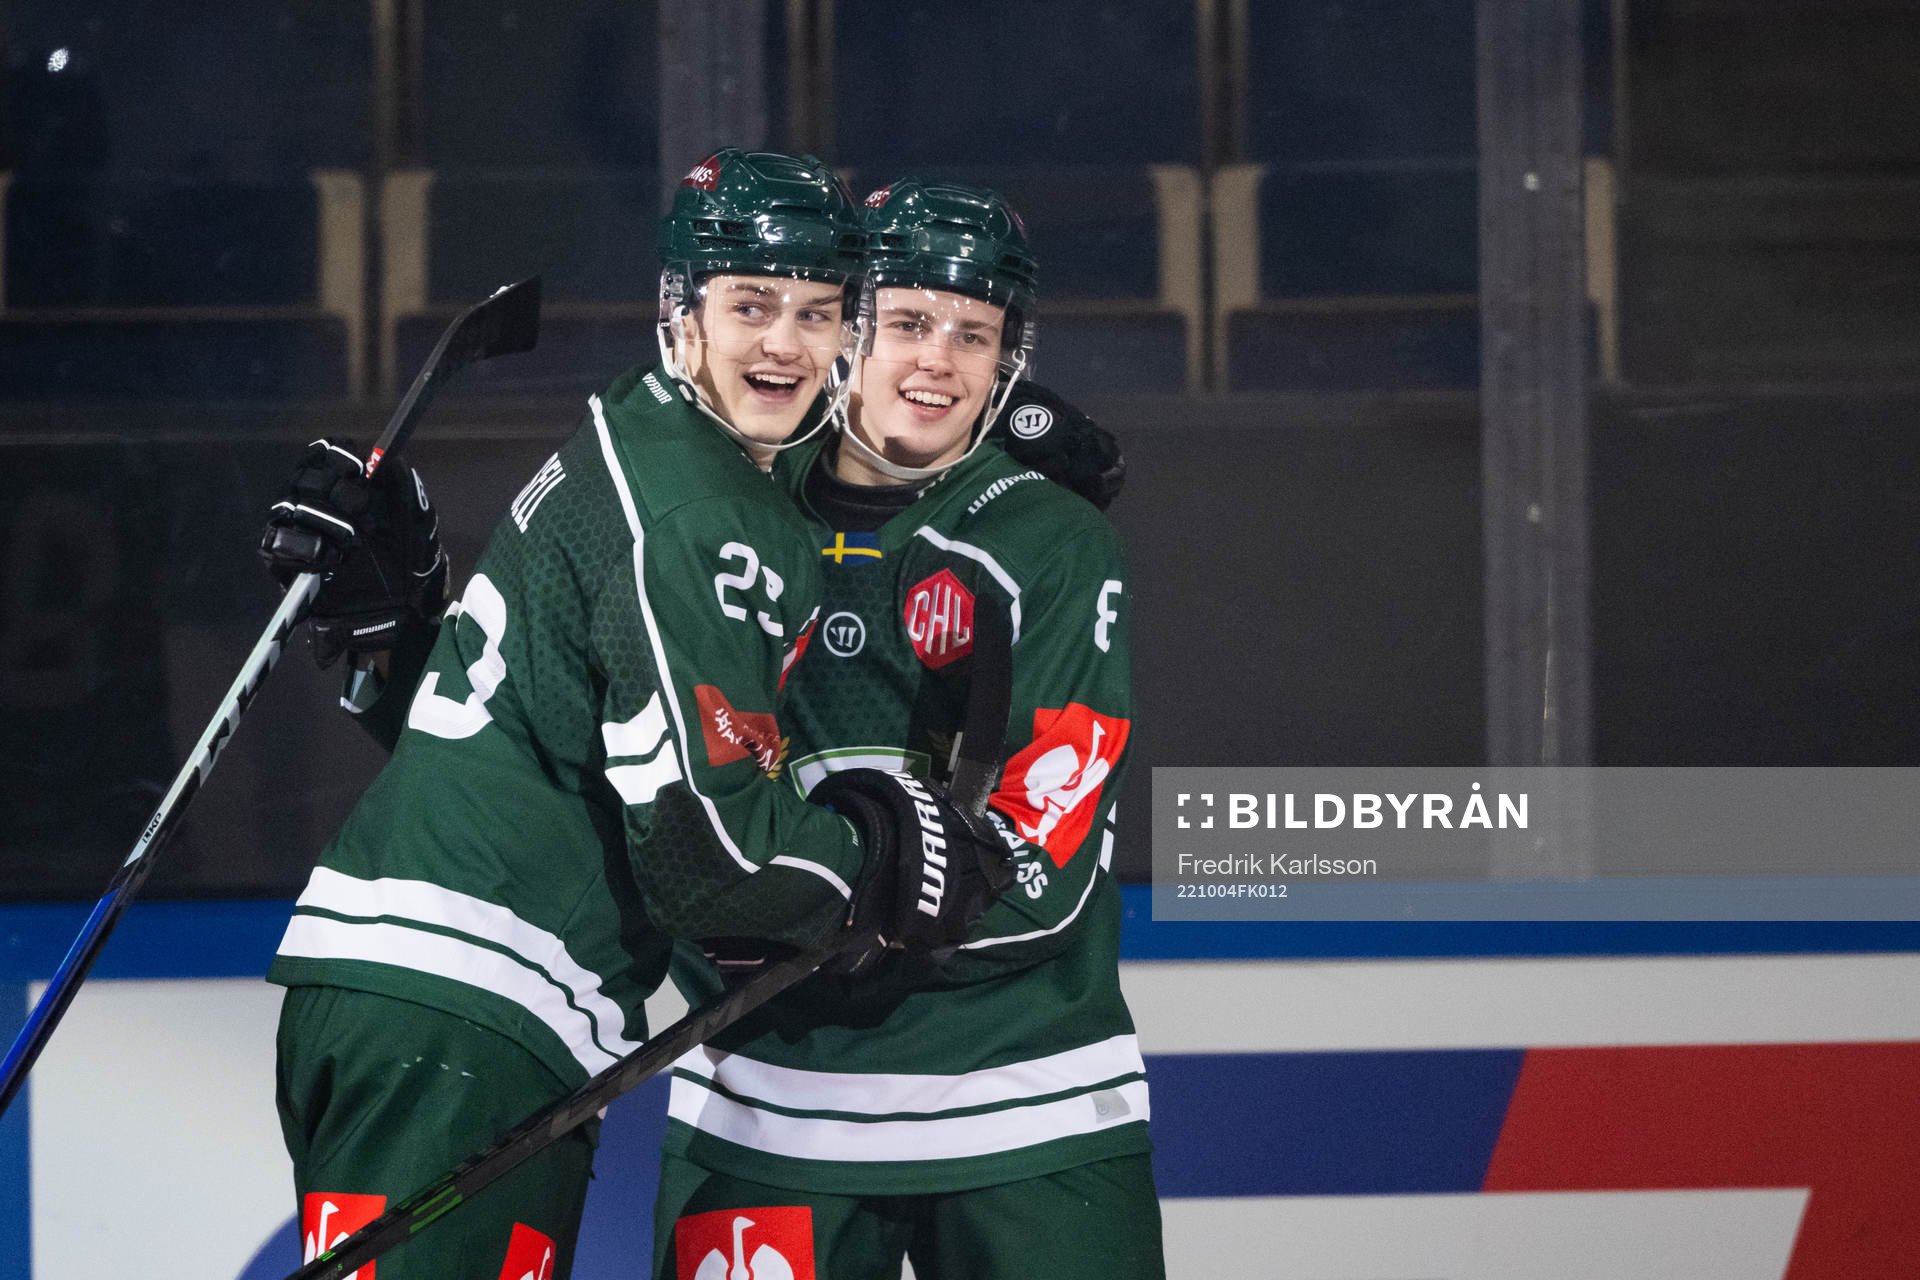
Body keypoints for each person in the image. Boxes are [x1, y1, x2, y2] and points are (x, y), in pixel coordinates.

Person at [258, 150, 1008, 1280]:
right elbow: (710, 856)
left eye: (818, 312)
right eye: (751, 304)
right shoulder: (704, 514)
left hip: (399, 993)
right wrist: (881, 858)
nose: (785, 345)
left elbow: (543, 712)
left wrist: (1020, 439)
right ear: (682, 310)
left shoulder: (635, 424)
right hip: (468, 1007)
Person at [651, 181, 1163, 1280]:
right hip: (769, 1108)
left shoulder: (1050, 541)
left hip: (1028, 1103)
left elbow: (1046, 848)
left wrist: (817, 913)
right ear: (845, 329)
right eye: (909, 323)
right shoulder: (722, 516)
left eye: (973, 333)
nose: (939, 360)